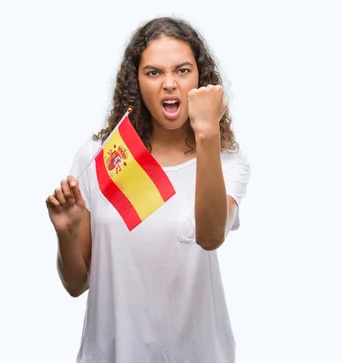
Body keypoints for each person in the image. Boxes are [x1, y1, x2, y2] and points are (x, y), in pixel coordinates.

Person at [45, 16, 251, 363]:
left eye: (183, 70)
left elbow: (211, 235)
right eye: (154, 72)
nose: (169, 83)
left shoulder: (227, 163)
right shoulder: (103, 156)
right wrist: (67, 233)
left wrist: (207, 132)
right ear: (137, 82)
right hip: (111, 354)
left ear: (201, 79)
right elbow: (76, 284)